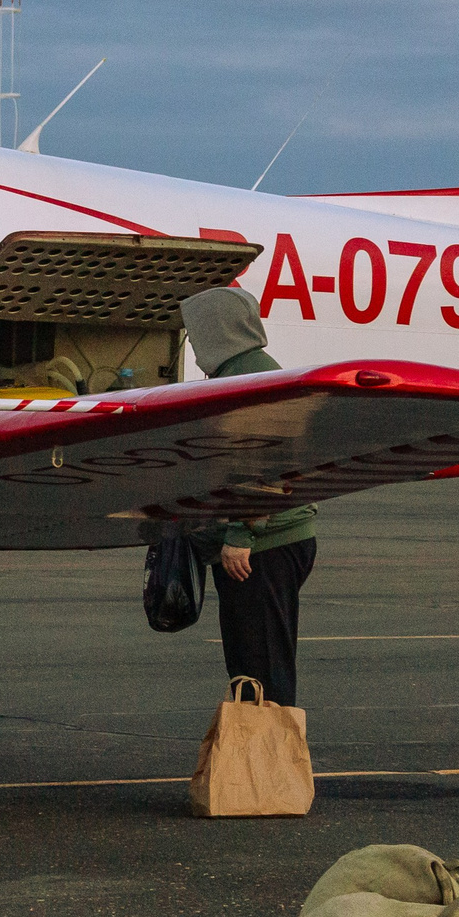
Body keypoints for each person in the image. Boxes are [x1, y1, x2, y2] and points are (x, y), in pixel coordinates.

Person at [177, 287, 318, 707]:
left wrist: (240, 534)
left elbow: (265, 465)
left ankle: (270, 766)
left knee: (261, 667)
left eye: (195, 331)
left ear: (214, 330)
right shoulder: (251, 370)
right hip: (273, 542)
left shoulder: (249, 379)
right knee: (251, 664)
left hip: (264, 547)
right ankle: (256, 763)